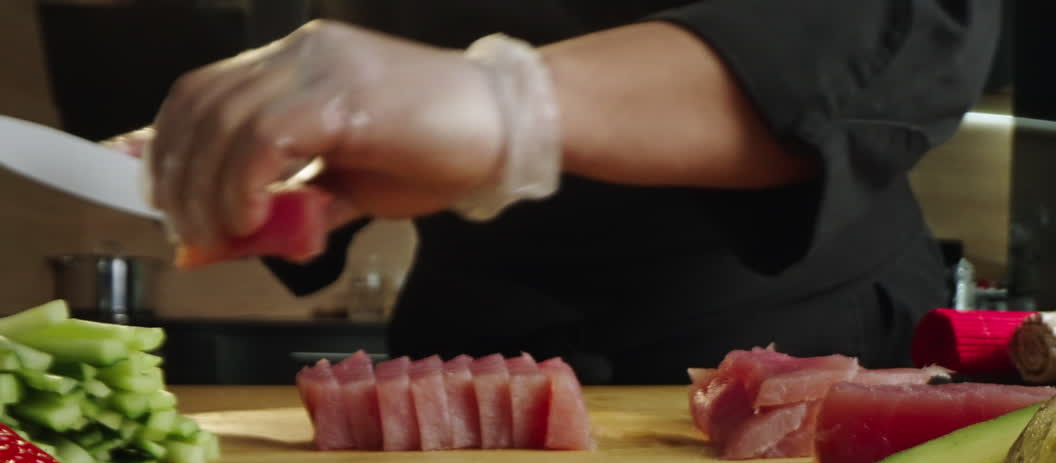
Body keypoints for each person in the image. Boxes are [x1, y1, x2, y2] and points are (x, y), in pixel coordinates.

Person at [137, 1, 1002, 384]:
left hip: (799, 342)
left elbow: (910, 25)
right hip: (461, 352)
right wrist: (288, 161)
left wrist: (512, 105)